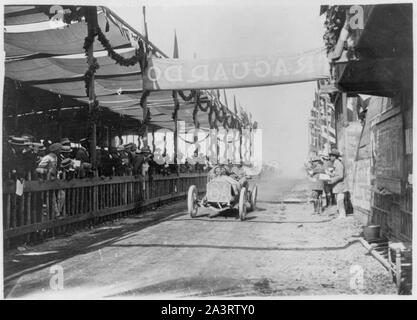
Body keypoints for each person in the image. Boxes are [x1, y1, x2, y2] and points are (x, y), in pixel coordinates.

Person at [328, 149, 347, 219]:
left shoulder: (338, 163)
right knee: (338, 200)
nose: (330, 157)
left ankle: (342, 215)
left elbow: (340, 176)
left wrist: (332, 180)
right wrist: (331, 174)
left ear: (335, 157)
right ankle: (341, 214)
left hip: (340, 186)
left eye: (331, 156)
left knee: (340, 201)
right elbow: (337, 174)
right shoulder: (336, 163)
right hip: (337, 186)